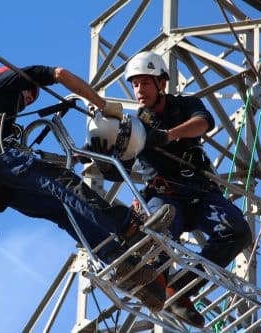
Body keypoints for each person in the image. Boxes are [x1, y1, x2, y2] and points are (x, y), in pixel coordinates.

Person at [0, 64, 175, 311]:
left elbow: (31, 164)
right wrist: (103, 106)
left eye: (32, 98)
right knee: (64, 184)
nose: (29, 100)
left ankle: (119, 264)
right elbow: (59, 74)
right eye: (29, 93)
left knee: (62, 208)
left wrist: (86, 155)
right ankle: (129, 227)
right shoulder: (1, 83)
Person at [88, 51, 252, 328]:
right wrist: (104, 160)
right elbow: (121, 172)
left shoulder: (186, 106)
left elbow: (204, 123)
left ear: (161, 84)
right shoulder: (134, 128)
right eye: (135, 84)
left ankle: (181, 290)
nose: (139, 90)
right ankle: (157, 282)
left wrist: (166, 136)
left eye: (145, 83)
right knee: (155, 231)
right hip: (165, 198)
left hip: (201, 194)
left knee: (238, 232)